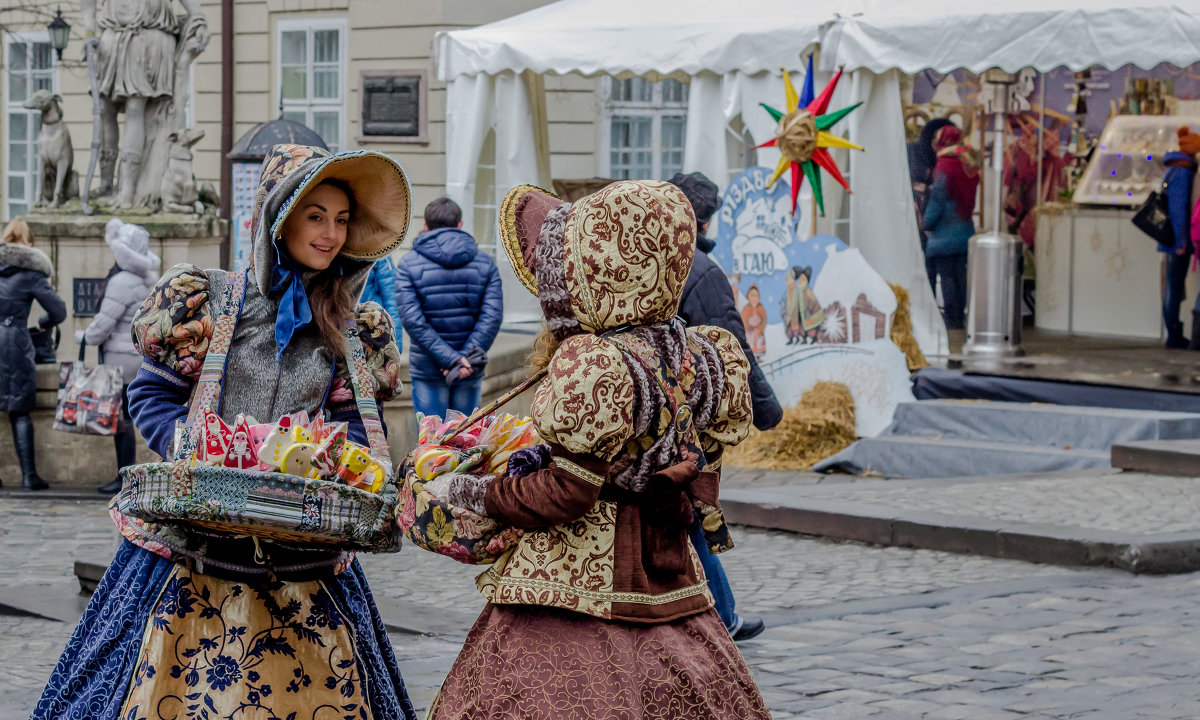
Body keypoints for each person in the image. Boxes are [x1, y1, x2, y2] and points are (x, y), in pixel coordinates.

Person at [31, 144, 416, 719]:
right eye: (315, 217)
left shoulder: (350, 328)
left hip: (303, 552)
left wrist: (338, 462)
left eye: (341, 220)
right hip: (191, 550)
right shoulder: (207, 302)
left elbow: (351, 426)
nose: (331, 234)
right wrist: (196, 452)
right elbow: (152, 394)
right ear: (278, 220)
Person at [428, 180, 771, 719]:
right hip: (673, 577)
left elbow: (567, 494)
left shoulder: (597, 364)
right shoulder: (700, 351)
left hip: (579, 585)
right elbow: (703, 458)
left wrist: (471, 491)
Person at [672, 171, 781, 642]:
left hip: (640, 405)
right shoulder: (701, 270)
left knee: (680, 512)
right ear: (706, 220)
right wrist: (766, 407)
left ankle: (716, 611)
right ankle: (723, 615)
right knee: (693, 512)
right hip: (688, 415)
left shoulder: (642, 256)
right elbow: (732, 345)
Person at [396, 197, 502, 419]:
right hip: (469, 367)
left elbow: (413, 320)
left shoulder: (407, 264)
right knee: (467, 442)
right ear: (460, 225)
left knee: (432, 444)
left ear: (425, 227)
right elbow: (491, 317)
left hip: (429, 368)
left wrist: (451, 360)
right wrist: (462, 359)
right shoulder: (486, 263)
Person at [83, 218, 161, 494]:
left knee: (122, 421)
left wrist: (85, 338)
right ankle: (126, 474)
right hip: (134, 357)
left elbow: (105, 321)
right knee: (127, 418)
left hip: (120, 359)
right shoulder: (141, 279)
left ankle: (123, 476)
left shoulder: (122, 281)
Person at [0, 219, 66, 491]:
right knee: (20, 409)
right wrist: (44, 320)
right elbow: (59, 311)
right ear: (28, 244)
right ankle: (28, 477)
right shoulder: (31, 272)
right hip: (13, 342)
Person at [923, 124, 980, 331]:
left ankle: (952, 320)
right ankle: (959, 317)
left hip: (944, 230)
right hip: (964, 226)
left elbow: (937, 199)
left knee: (946, 275)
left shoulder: (945, 165)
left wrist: (926, 223)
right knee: (959, 275)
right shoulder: (968, 162)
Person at [1160, 126, 1199, 349]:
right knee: (1174, 288)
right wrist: (1183, 241)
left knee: (1172, 287)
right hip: (1177, 241)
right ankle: (1174, 334)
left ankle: (1173, 331)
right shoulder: (1184, 173)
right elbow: (1178, 210)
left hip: (1170, 238)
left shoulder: (1172, 169)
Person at [908, 117, 954, 252]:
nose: (935, 140)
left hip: (938, 210)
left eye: (939, 137)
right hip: (916, 203)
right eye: (933, 136)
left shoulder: (948, 160)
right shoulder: (915, 151)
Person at [361, 253, 401, 330]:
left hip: (373, 327)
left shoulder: (378, 252)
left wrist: (395, 339)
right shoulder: (334, 251)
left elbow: (392, 300)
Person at [741, 284, 767, 356]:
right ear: (748, 296)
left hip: (758, 331)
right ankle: (751, 355)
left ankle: (759, 355)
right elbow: (743, 320)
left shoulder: (760, 308)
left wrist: (761, 328)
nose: (754, 298)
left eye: (756, 296)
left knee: (759, 341)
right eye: (752, 295)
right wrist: (748, 327)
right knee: (750, 342)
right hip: (749, 332)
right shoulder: (746, 308)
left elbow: (764, 319)